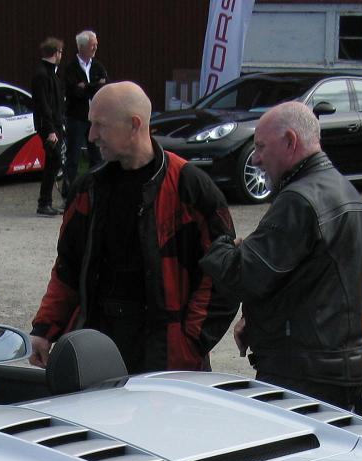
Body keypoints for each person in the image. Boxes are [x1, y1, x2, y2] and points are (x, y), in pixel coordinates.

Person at [29, 81, 237, 374]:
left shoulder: (190, 189)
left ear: (134, 125)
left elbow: (223, 276)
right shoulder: (88, 190)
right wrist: (44, 329)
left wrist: (190, 341)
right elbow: (68, 267)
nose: (91, 136)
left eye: (100, 125)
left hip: (165, 358)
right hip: (97, 347)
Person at [199, 102, 362, 417]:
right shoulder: (345, 191)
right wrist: (255, 320)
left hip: (302, 375)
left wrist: (220, 246)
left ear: (290, 142)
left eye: (260, 147)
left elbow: (245, 274)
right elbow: (311, 281)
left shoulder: (299, 199)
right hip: (339, 366)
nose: (255, 158)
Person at [62, 29, 106, 197]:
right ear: (82, 46)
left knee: (96, 155)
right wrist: (93, 86)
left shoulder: (98, 66)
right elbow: (74, 91)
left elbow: (103, 87)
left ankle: (96, 190)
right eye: (92, 44)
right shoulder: (71, 67)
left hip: (94, 118)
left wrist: (86, 86)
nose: (95, 47)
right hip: (76, 117)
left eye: (96, 44)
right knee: (72, 156)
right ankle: (69, 193)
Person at [30, 37, 66, 217]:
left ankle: (46, 201)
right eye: (60, 52)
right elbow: (44, 104)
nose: (61, 55)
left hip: (56, 124)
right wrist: (51, 129)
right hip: (48, 126)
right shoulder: (42, 75)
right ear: (55, 53)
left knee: (55, 161)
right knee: (53, 160)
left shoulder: (52, 74)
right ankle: (44, 202)